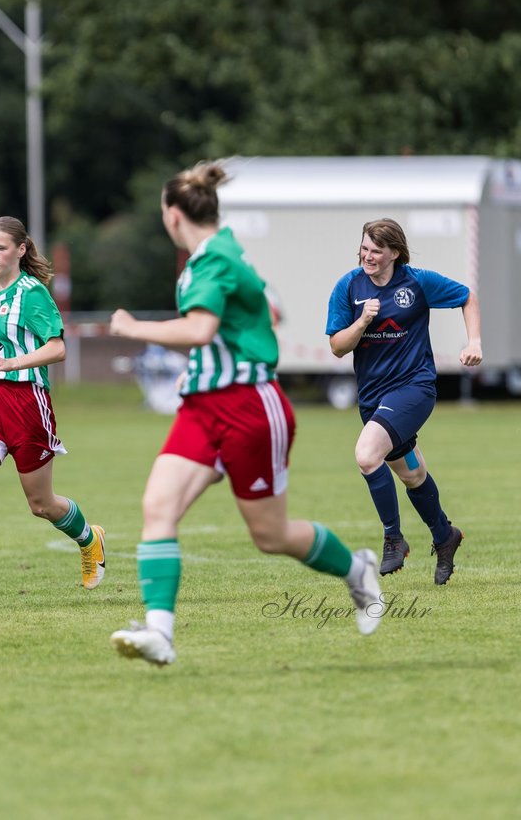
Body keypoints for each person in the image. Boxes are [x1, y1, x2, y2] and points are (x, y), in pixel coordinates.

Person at [108, 163, 384, 667]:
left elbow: (197, 330)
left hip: (248, 406)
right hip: (201, 407)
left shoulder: (211, 259)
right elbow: (272, 306)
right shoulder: (229, 252)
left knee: (270, 536)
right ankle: (159, 634)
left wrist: (132, 326)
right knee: (158, 509)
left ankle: (357, 569)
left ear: (172, 217)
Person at [0, 216, 105, 603]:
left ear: (20, 250)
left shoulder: (33, 293)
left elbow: (57, 348)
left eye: (0, 248)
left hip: (28, 401)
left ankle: (89, 538)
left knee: (41, 504)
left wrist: (13, 363)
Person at [325, 217, 481, 585]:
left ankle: (393, 537)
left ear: (395, 252)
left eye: (377, 251)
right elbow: (336, 347)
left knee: (366, 455)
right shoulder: (348, 287)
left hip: (415, 389)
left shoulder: (417, 282)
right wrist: (362, 322)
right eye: (364, 248)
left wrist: (473, 342)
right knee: (412, 474)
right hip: (373, 399)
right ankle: (445, 536)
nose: (368, 256)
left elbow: (467, 297)